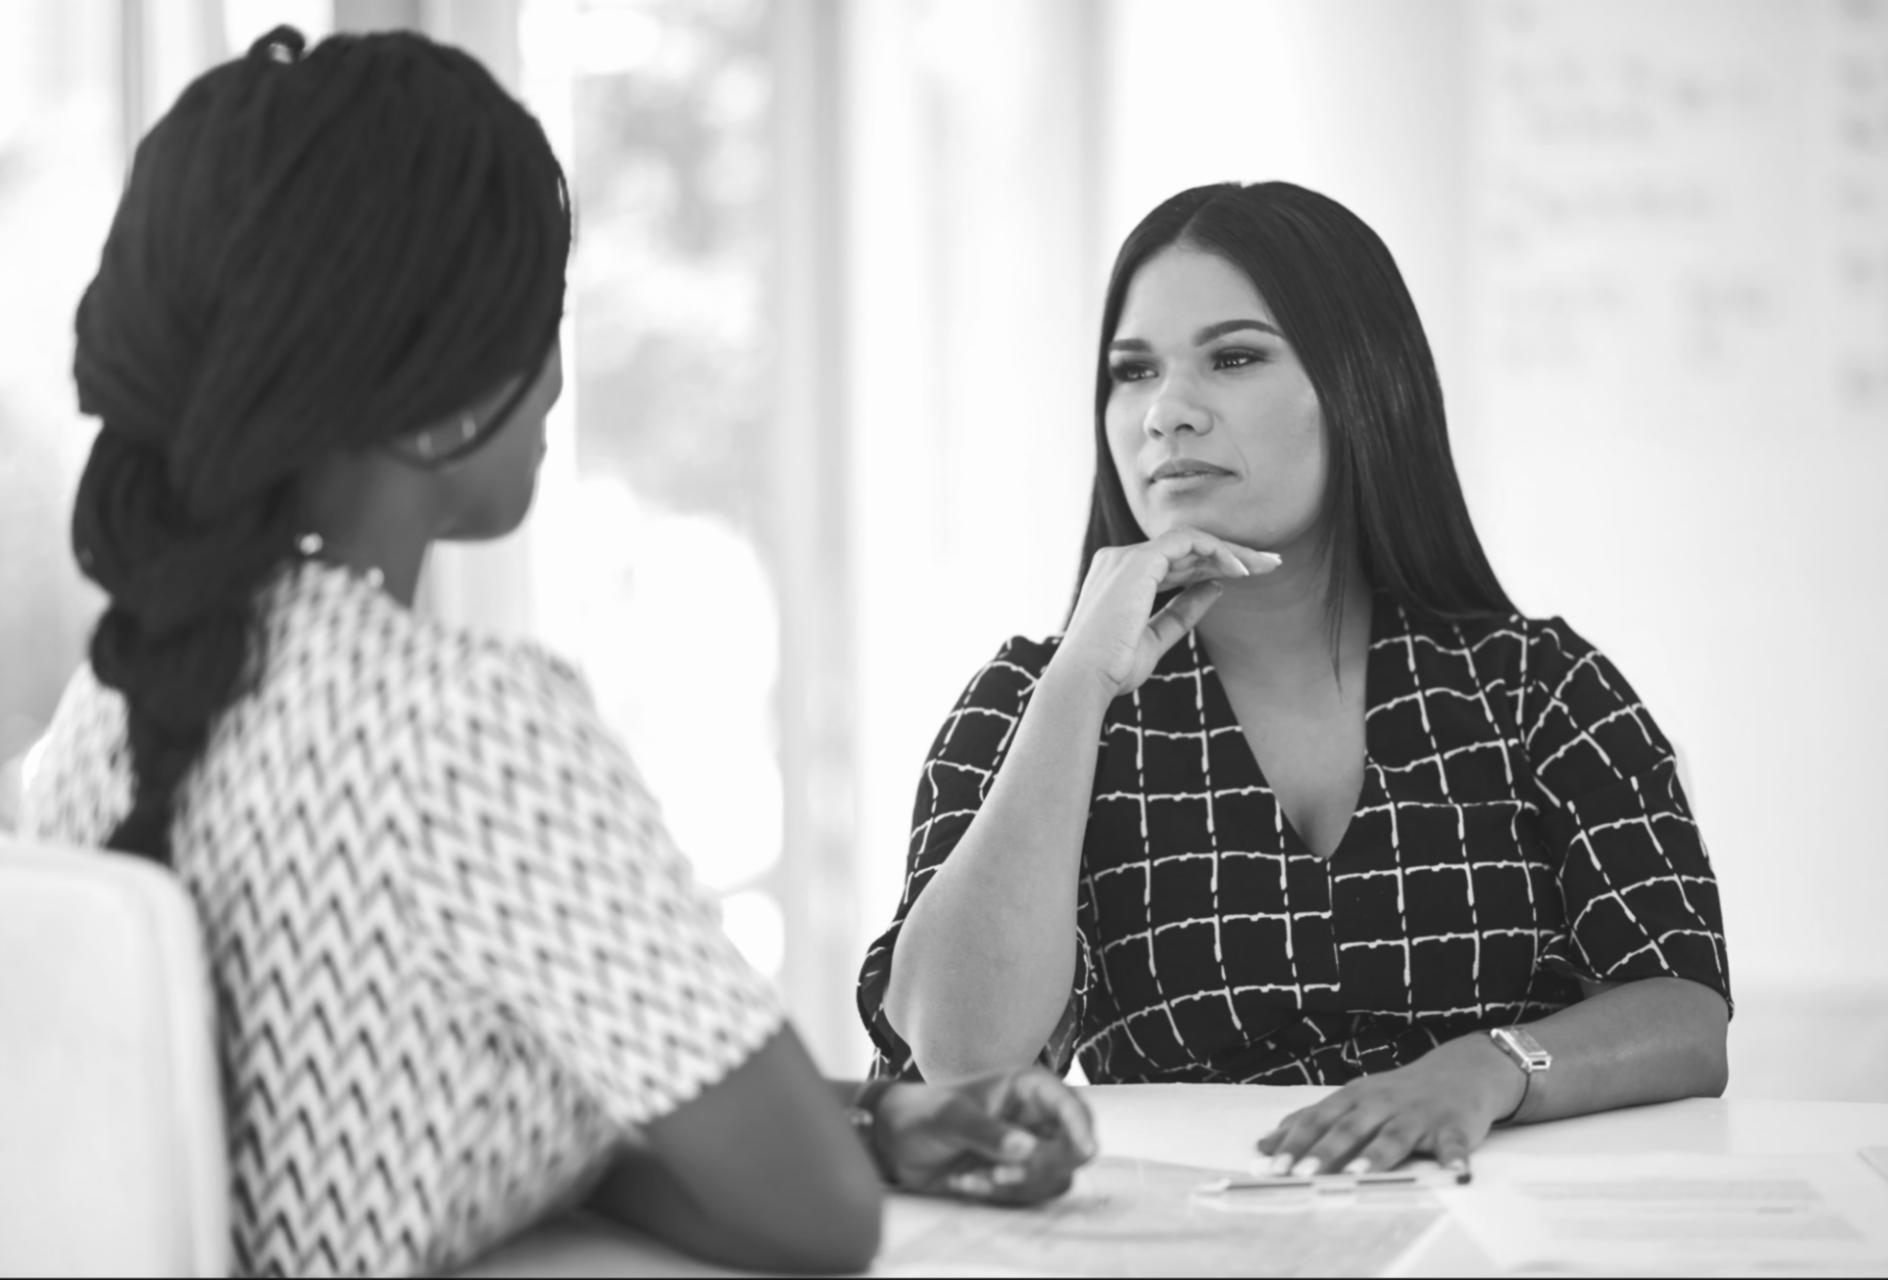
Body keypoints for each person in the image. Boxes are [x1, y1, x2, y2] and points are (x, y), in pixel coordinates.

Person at [21, 26, 1093, 1278]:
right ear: (453, 401)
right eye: (548, 319)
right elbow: (813, 1212)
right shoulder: (467, 728)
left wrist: (856, 1116)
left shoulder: (106, 708)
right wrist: (722, 1139)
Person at [861, 180, 1730, 1179]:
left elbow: (1687, 1010)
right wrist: (1075, 689)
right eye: (1133, 372)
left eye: (1233, 358)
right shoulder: (1031, 703)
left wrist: (1487, 1069)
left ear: (1362, 384)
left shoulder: (1540, 686)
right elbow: (959, 1059)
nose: (1167, 414)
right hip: (1193, 1240)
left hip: (1493, 1223)